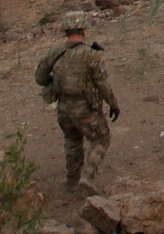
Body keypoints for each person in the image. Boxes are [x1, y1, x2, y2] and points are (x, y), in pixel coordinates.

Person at [34, 11, 119, 196]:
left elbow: (40, 78)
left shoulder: (54, 53)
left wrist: (58, 81)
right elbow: (102, 84)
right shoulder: (91, 55)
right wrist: (113, 104)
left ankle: (72, 180)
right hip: (85, 108)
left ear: (65, 30)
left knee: (72, 141)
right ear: (83, 30)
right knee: (101, 139)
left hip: (63, 109)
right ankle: (87, 177)